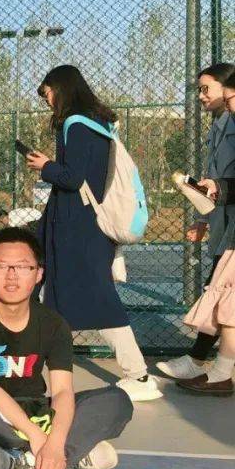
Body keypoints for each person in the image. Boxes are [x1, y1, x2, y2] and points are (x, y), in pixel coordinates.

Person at [0, 227, 134, 469]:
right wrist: (36, 436)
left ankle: (27, 460)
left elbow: (62, 391)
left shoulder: (54, 323)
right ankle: (66, 454)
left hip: (37, 411)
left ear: (38, 273)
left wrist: (55, 441)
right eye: (1, 266)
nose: (11, 275)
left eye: (23, 266)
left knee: (117, 400)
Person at [25, 65, 162, 402]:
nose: (47, 101)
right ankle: (28, 369)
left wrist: (45, 166)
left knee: (94, 298)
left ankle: (138, 375)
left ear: (61, 89)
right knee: (57, 295)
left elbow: (73, 178)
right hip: (84, 224)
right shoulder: (98, 123)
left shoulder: (74, 124)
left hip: (75, 225)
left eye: (48, 94)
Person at [158, 62, 235, 382]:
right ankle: (203, 361)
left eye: (206, 89)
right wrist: (203, 217)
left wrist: (217, 191)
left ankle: (203, 361)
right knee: (220, 291)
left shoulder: (231, 122)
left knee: (220, 291)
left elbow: (223, 181)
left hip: (231, 226)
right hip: (225, 222)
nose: (201, 96)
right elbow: (215, 178)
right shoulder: (219, 126)